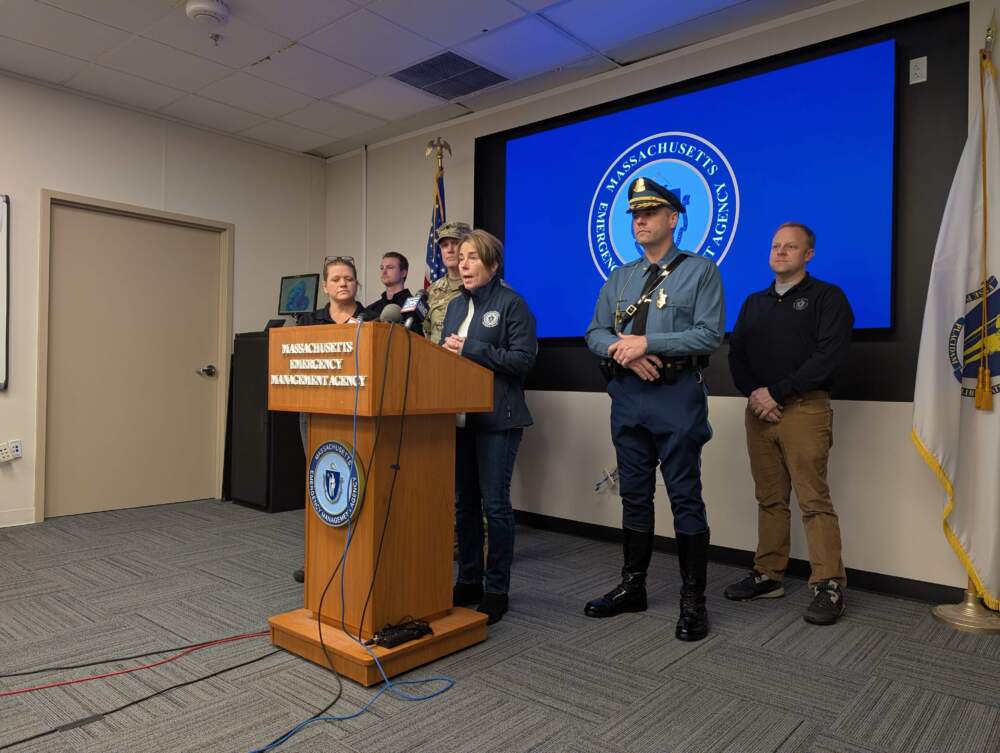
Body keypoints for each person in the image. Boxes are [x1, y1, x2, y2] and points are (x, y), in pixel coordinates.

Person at [584, 176, 724, 642]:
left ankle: (693, 600)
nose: (639, 220)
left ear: (673, 218)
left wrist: (650, 342)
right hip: (628, 398)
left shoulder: (700, 271)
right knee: (634, 496)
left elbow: (709, 335)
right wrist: (626, 352)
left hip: (676, 396)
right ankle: (633, 586)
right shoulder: (620, 276)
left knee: (685, 496)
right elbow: (596, 332)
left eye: (649, 212)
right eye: (634, 215)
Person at [725, 222, 853, 625]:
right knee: (770, 498)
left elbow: (827, 358)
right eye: (775, 245)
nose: (780, 252)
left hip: (805, 409)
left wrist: (775, 393)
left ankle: (828, 585)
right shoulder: (753, 302)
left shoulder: (827, 298)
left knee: (813, 500)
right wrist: (756, 396)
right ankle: (768, 574)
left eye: (790, 247)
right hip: (759, 412)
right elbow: (737, 356)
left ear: (808, 255)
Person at [441, 229, 537, 625]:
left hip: (499, 418)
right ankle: (468, 580)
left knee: (494, 505)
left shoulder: (512, 304)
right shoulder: (452, 307)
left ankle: (497, 588)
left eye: (472, 257)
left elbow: (522, 361)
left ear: (493, 264)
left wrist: (472, 349)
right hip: (459, 419)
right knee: (464, 503)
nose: (463, 264)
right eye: (460, 257)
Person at [292, 256, 365, 584]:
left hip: (358, 414)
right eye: (336, 279)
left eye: (348, 278)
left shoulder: (372, 318)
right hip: (315, 413)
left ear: (356, 284)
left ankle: (358, 555)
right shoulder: (308, 320)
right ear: (325, 286)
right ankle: (318, 557)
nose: (343, 283)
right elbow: (291, 357)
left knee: (357, 486)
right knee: (320, 485)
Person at [424, 221, 472, 344]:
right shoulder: (432, 290)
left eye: (455, 243)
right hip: (435, 359)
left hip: (469, 360)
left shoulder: (483, 286)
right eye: (445, 245)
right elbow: (427, 334)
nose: (449, 250)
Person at [365, 252, 411, 319]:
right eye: (382, 268)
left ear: (403, 273)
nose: (384, 272)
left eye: (390, 267)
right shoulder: (371, 309)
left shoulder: (414, 307)